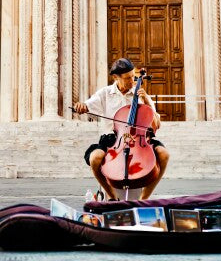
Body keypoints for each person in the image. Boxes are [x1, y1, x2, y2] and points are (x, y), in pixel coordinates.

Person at [73, 58, 170, 201]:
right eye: (127, 78)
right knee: (95, 159)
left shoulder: (141, 95)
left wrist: (147, 101)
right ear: (115, 78)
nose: (132, 81)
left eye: (133, 76)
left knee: (164, 155)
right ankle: (112, 196)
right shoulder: (105, 93)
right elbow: (88, 105)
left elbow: (156, 123)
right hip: (112, 140)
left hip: (138, 139)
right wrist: (81, 106)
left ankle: (144, 199)